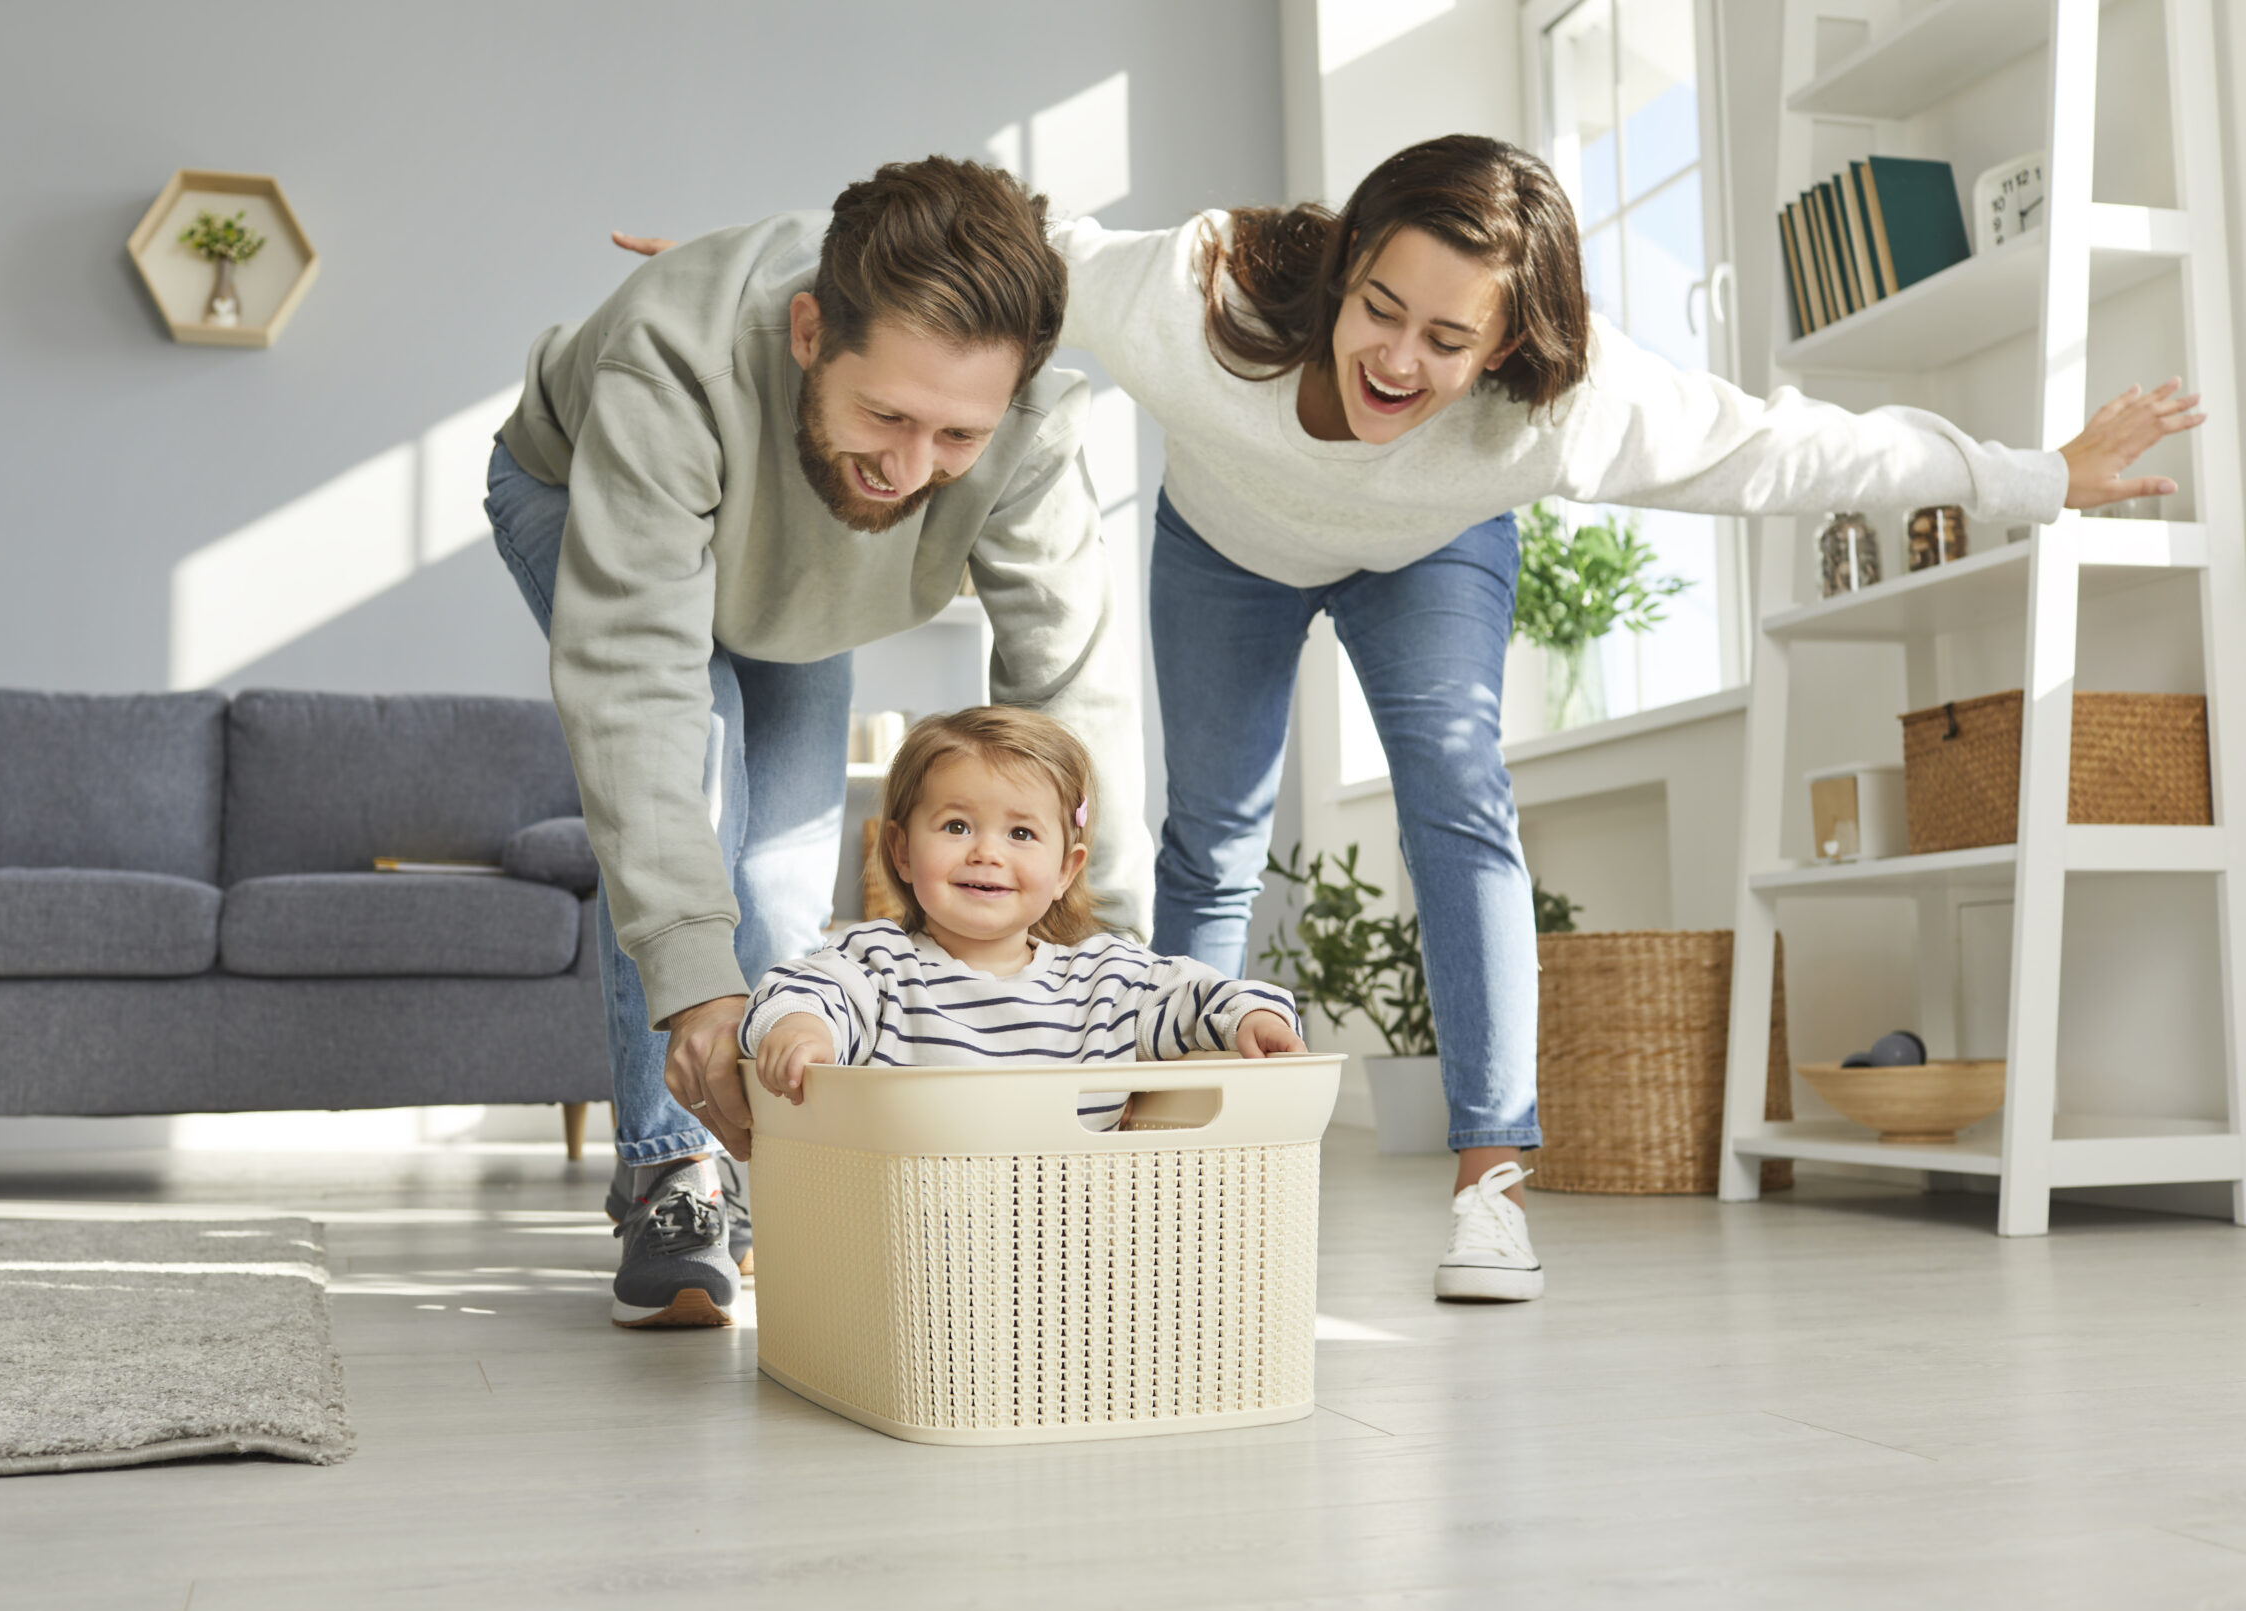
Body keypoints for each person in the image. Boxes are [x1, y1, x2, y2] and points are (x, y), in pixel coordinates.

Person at [618, 133, 2201, 1305]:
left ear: (1509, 342)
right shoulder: (1201, 293)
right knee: (1216, 826)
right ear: (1347, 259)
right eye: (1381, 307)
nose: (1398, 357)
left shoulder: (1573, 408)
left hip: (1433, 549)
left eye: (1452, 340)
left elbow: (1791, 451)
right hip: (1229, 546)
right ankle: (1164, 1169)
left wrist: (2035, 478)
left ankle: (1490, 1178)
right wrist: (752, 278)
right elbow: (983, 240)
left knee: (1456, 781)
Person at [485, 158, 1149, 1330]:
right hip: (574, 481)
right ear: (806, 332)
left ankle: (788, 1161)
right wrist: (695, 996)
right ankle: (670, 1174)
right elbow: (639, 696)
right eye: (886, 413)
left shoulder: (1034, 428)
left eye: (956, 435)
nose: (910, 471)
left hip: (805, 561)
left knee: (784, 875)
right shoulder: (671, 363)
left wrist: (1120, 970)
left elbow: (1068, 702)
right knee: (700, 788)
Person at [744, 706, 1305, 1122]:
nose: (987, 853)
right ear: (901, 851)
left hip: (1068, 1254)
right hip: (917, 1247)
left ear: (1066, 868)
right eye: (956, 826)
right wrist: (802, 1027)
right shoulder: (878, 966)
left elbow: (1200, 997)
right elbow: (802, 989)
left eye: (1021, 833)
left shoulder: (1106, 982)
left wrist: (1255, 1019)